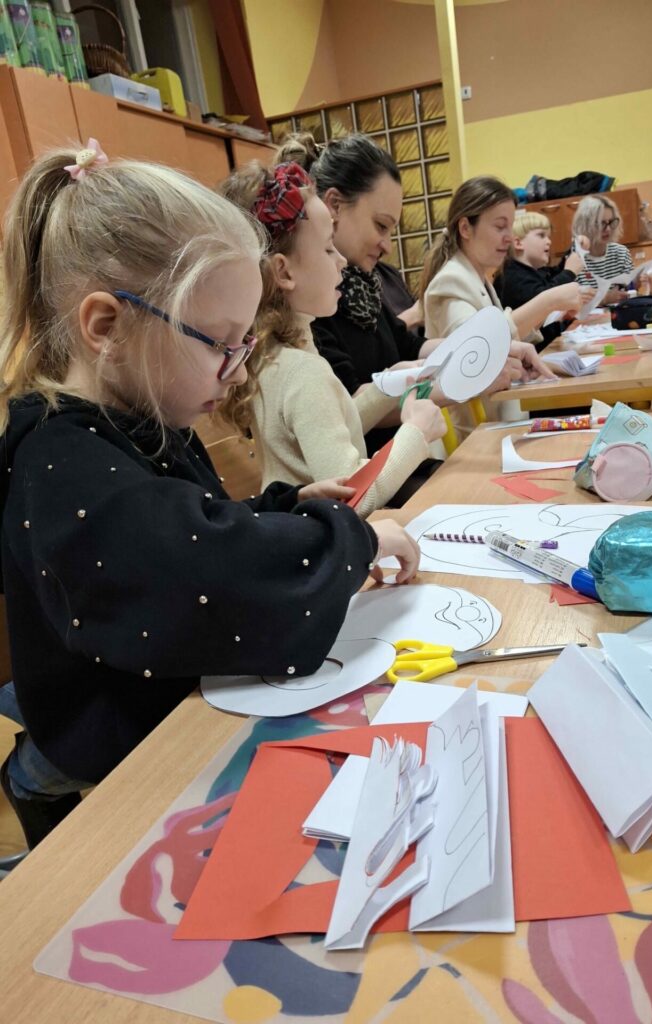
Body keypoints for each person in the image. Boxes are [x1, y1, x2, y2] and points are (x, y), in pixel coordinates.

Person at [0, 142, 419, 848]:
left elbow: (192, 523)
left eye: (244, 345)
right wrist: (355, 538)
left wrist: (285, 507)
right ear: (107, 327)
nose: (238, 372)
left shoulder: (141, 415)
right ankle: (34, 785)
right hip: (110, 739)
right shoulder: (61, 460)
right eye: (220, 343)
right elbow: (206, 576)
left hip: (157, 702)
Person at [218, 160, 445, 517]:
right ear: (283, 271)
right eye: (327, 249)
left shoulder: (275, 353)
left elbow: (327, 425)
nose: (340, 261)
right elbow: (354, 496)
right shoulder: (302, 371)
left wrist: (385, 387)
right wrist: (416, 432)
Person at [279, 133, 523, 456]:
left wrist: (491, 349)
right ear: (334, 205)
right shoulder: (312, 301)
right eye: (381, 226)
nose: (388, 245)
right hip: (378, 467)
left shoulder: (363, 285)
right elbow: (350, 408)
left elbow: (409, 345)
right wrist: (465, 379)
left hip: (401, 460)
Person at [420, 176, 587, 348]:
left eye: (510, 227)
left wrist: (548, 310)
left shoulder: (478, 279)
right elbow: (478, 347)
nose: (509, 238)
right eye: (500, 227)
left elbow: (505, 339)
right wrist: (549, 301)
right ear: (465, 228)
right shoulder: (451, 280)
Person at [495, 211, 589, 347]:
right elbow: (545, 297)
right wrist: (570, 272)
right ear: (518, 243)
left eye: (548, 236)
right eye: (541, 235)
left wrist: (575, 250)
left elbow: (556, 274)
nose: (549, 241)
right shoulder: (512, 276)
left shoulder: (532, 272)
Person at [572, 195, 635, 304]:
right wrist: (605, 298)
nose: (608, 229)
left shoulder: (621, 253)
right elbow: (570, 301)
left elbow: (629, 291)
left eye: (611, 222)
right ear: (585, 225)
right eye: (602, 223)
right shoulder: (574, 259)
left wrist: (638, 282)